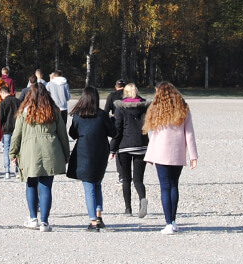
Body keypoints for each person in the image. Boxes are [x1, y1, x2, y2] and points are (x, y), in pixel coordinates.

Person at [10, 83, 69, 232]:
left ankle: (33, 218)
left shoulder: (24, 111)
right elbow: (63, 134)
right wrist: (66, 153)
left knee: (31, 183)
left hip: (30, 150)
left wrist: (13, 152)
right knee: (46, 186)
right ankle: (45, 222)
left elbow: (17, 134)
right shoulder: (53, 111)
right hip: (51, 149)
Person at [143, 82, 199, 234]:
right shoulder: (183, 109)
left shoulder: (156, 109)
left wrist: (149, 155)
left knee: (165, 187)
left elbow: (154, 136)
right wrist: (193, 155)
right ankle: (173, 221)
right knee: (174, 186)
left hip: (161, 154)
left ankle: (168, 222)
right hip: (177, 153)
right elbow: (189, 134)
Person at [67, 86, 113, 231]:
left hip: (84, 152)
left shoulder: (78, 115)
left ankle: (93, 220)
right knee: (97, 184)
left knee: (89, 187)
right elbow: (113, 131)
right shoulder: (102, 115)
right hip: (100, 152)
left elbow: (73, 134)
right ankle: (98, 216)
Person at [112, 83, 149, 217]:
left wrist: (113, 148)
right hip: (142, 144)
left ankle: (128, 209)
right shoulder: (145, 106)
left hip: (125, 145)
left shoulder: (121, 107)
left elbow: (118, 128)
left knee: (126, 179)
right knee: (138, 179)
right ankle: (142, 199)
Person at [0, 83, 21, 179]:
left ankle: (7, 171)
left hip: (6, 129)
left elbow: (0, 118)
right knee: (17, 149)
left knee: (7, 149)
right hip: (17, 128)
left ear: (2, 93)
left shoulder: (2, 103)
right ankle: (17, 170)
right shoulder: (18, 101)